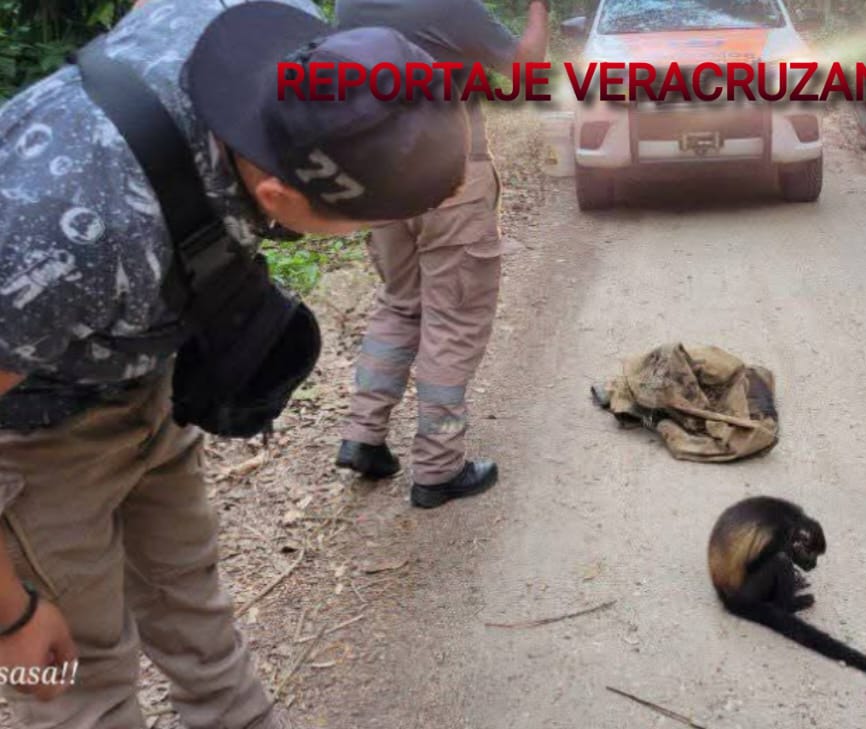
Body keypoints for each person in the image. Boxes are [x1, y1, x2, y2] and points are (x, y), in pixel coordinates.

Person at [0, 0, 469, 726]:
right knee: (77, 684)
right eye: (366, 225)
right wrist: (11, 618)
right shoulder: (62, 239)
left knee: (201, 624)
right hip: (35, 435)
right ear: (278, 196)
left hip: (140, 376)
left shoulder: (258, 29)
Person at [333, 0, 549, 508]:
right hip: (448, 180)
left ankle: (362, 436)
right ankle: (438, 468)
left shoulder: (349, 4)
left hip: (380, 180)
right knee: (452, 321)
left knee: (400, 304)